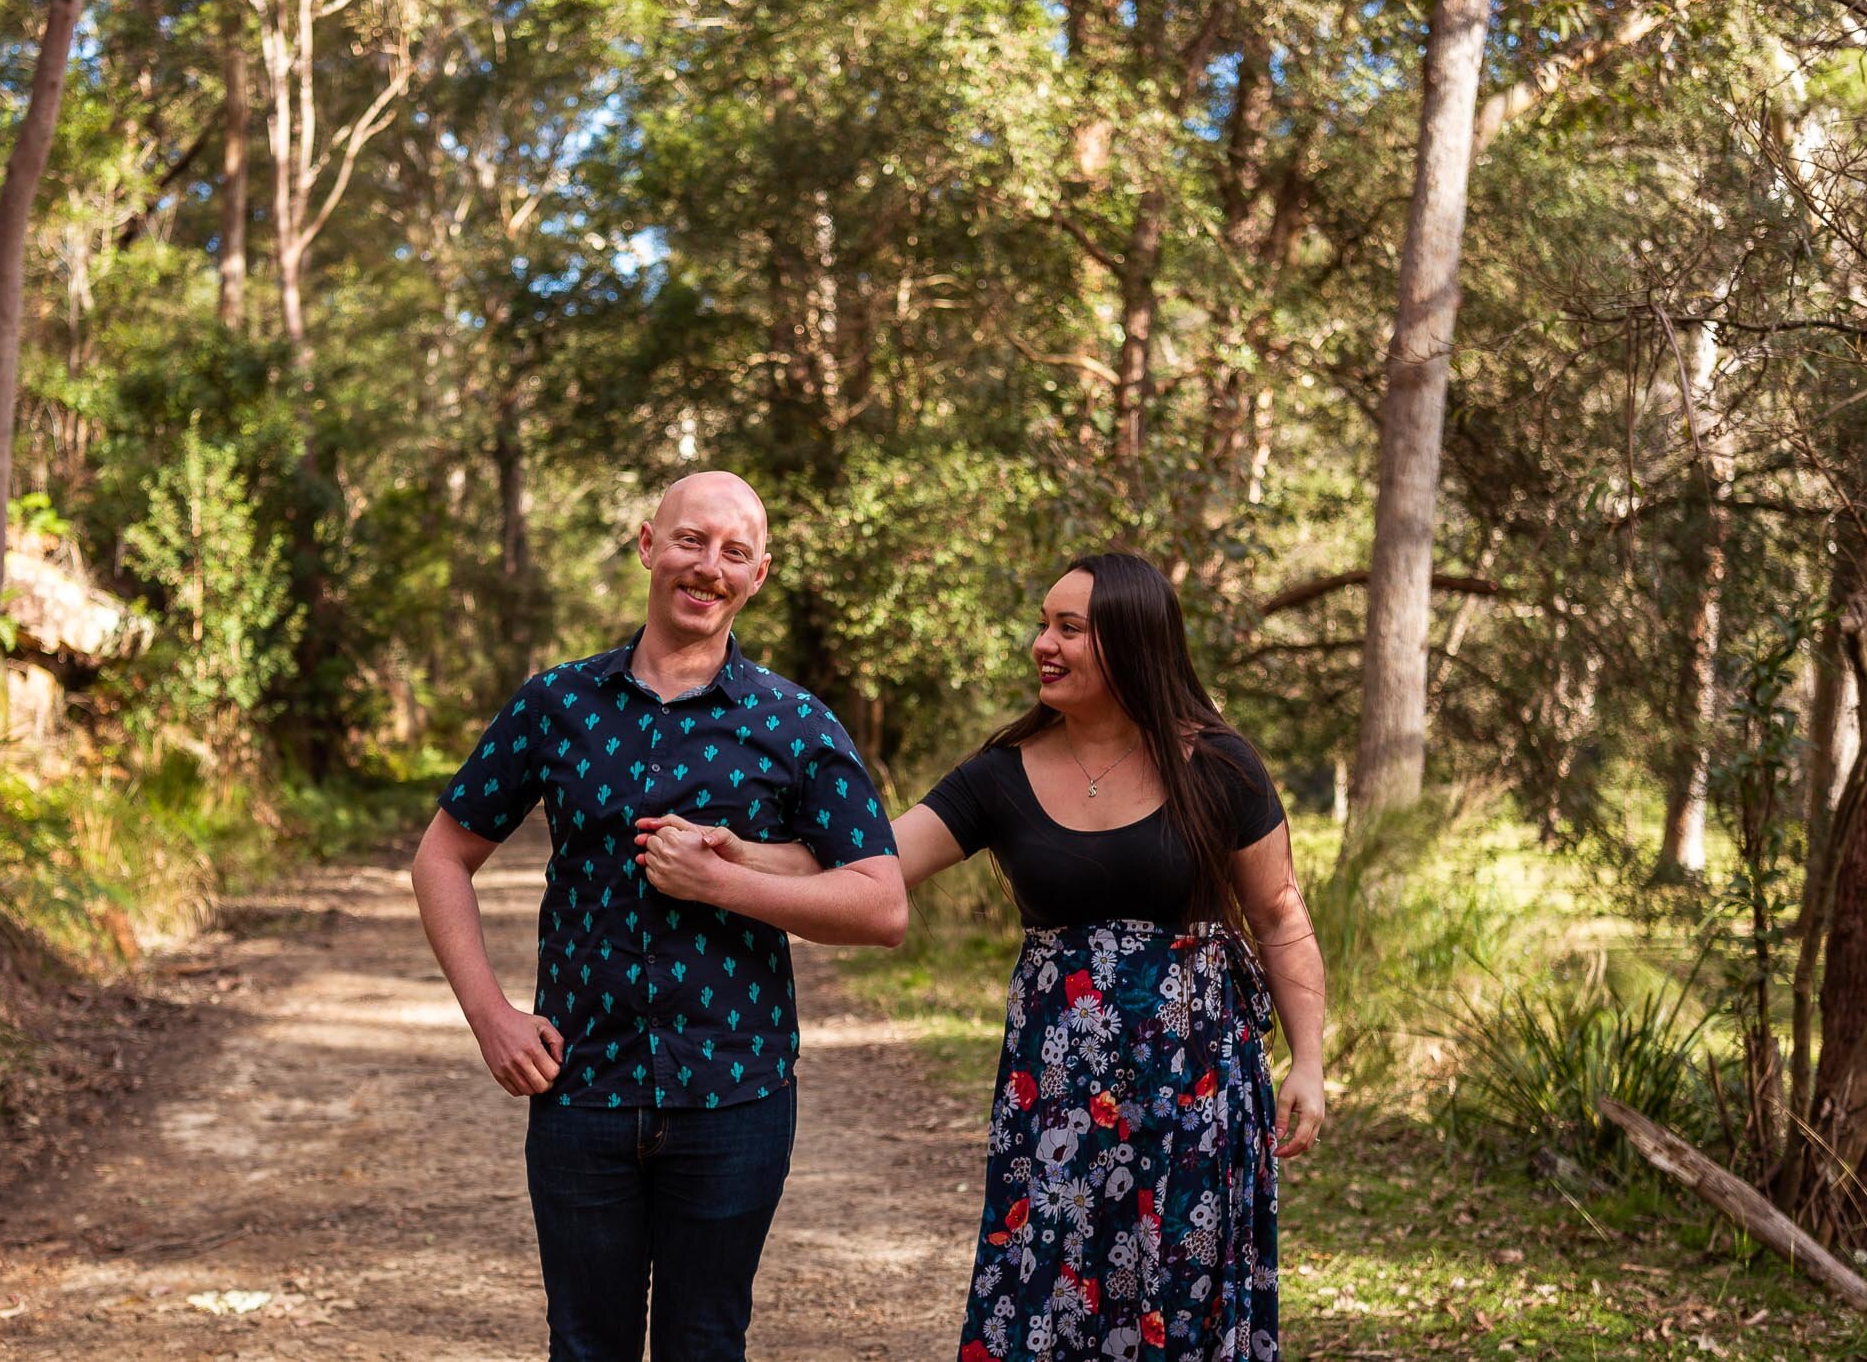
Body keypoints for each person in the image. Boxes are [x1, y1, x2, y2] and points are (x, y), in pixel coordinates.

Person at [636, 551, 1325, 1362]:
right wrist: (737, 856)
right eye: (1044, 622)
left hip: (1196, 1089)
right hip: (1058, 1097)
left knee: (1181, 1284)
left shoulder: (1220, 764)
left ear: (1133, 642)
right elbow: (874, 862)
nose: (1044, 642)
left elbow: (1279, 913)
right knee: (1048, 1285)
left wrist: (1309, 1059)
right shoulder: (1002, 774)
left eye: (1070, 627)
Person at [410, 470, 907, 1362]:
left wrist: (723, 881)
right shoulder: (555, 703)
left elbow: (880, 902)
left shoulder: (795, 723)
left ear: (759, 574)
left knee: (705, 1344)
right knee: (585, 1345)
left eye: (734, 552)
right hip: (582, 1089)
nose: (708, 566)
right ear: (647, 544)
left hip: (736, 1094)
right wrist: (490, 1017)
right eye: (690, 540)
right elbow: (443, 855)